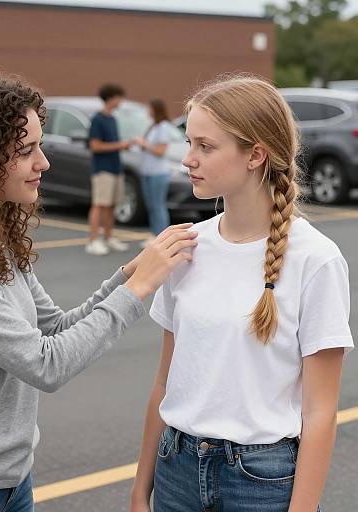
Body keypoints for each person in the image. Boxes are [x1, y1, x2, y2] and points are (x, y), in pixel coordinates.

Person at [0, 73, 199, 512]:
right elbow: (45, 364)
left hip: (9, 484)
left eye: (39, 145)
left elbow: (55, 327)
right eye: (26, 151)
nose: (43, 162)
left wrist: (129, 272)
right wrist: (140, 289)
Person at [130, 75, 354, 512]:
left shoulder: (316, 259)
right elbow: (164, 382)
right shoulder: (185, 245)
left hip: (262, 482)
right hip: (174, 470)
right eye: (188, 142)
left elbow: (321, 413)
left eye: (204, 146)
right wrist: (142, 490)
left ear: (255, 154)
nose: (187, 160)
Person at [86, 83, 133, 256]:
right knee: (99, 204)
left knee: (111, 205)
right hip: (102, 169)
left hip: (115, 168)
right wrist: (120, 145)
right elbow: (95, 146)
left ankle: (108, 237)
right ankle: (92, 241)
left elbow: (111, 145)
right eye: (119, 97)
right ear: (111, 98)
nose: (121, 101)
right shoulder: (98, 119)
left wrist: (120, 146)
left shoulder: (112, 119)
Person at [134, 99, 172, 247]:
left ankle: (162, 239)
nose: (147, 111)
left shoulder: (163, 127)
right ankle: (155, 235)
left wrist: (144, 144)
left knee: (158, 205)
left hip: (158, 173)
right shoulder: (154, 126)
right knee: (151, 205)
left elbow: (161, 151)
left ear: (155, 109)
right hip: (147, 172)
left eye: (149, 108)